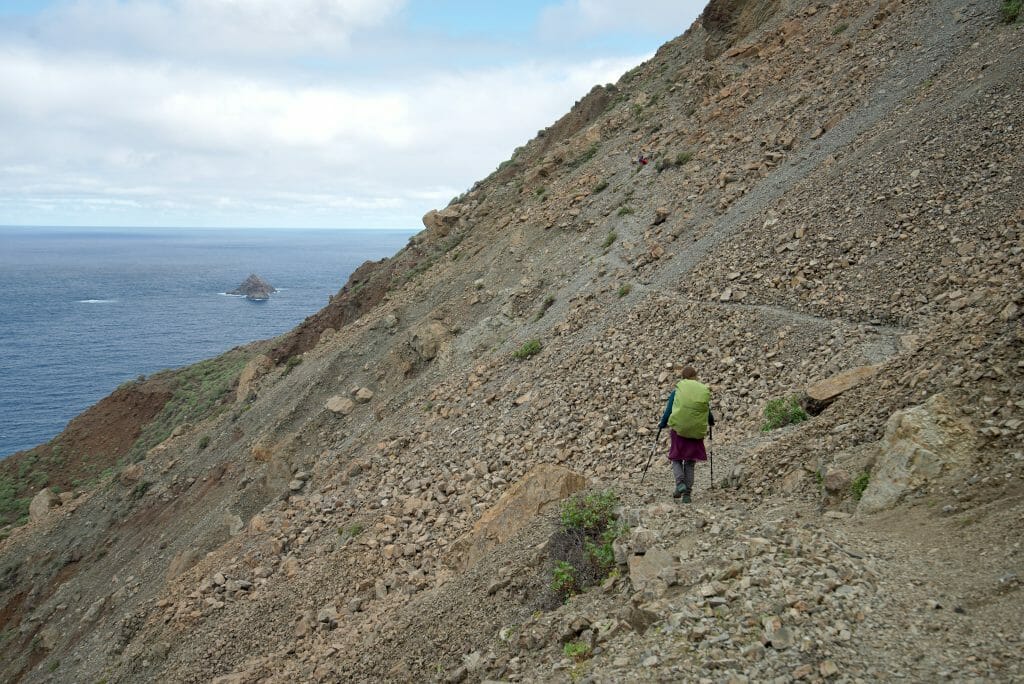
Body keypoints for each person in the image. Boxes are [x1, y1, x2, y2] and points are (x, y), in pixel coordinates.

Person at [657, 366, 714, 503]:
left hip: (679, 431)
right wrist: (711, 422)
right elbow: (706, 411)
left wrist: (662, 424)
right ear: (695, 376)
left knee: (676, 458)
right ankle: (687, 494)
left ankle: (680, 483)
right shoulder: (700, 391)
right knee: (690, 462)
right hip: (695, 433)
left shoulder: (677, 391)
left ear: (683, 378)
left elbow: (669, 410)